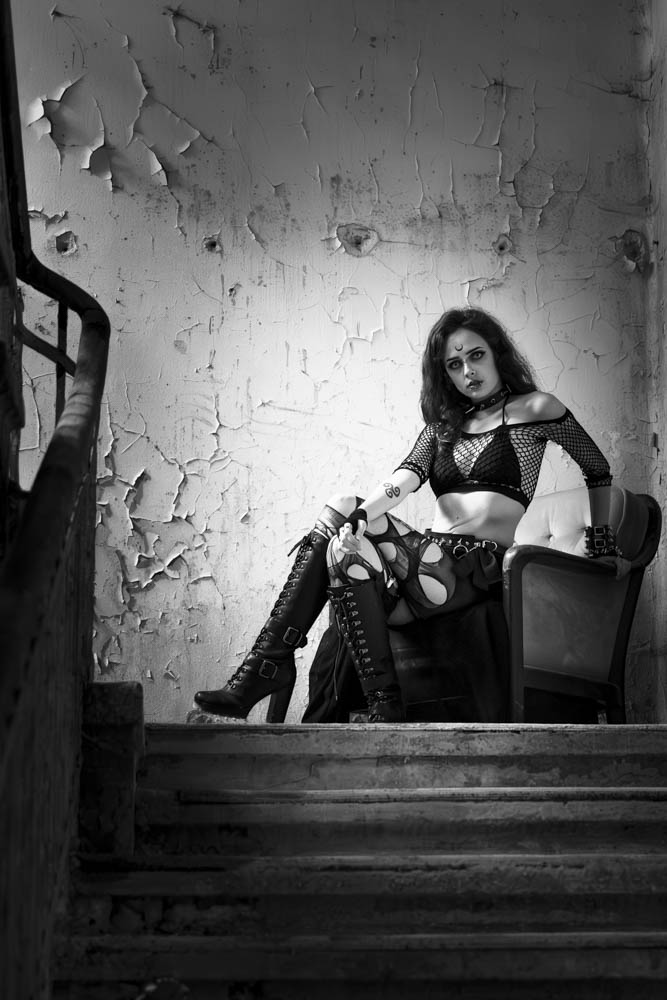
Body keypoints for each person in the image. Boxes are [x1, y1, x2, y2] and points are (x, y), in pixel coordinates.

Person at [194, 307, 620, 723]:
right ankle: (381, 703)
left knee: (345, 516)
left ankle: (265, 666)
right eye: (454, 365)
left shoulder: (536, 408)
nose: (468, 371)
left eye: (476, 355)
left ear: (497, 354)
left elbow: (597, 469)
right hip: (424, 567)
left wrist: (601, 543)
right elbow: (405, 478)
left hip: (470, 572)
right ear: (445, 374)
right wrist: (360, 518)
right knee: (343, 544)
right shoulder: (444, 426)